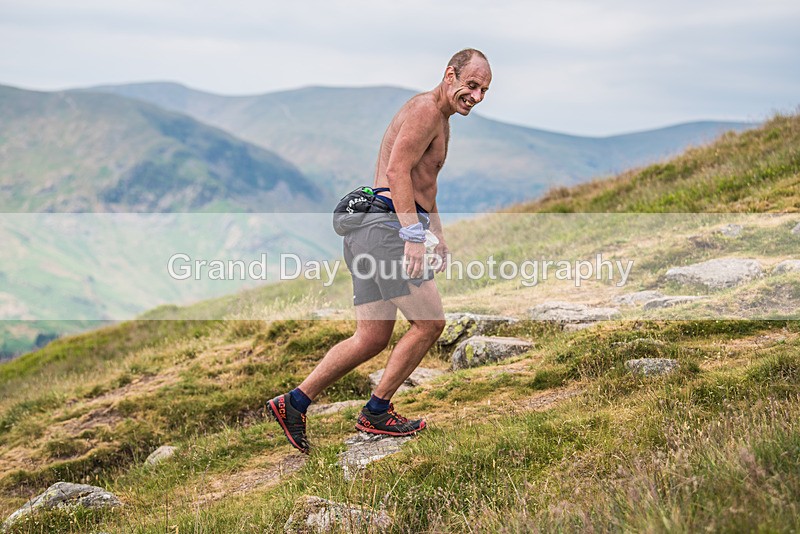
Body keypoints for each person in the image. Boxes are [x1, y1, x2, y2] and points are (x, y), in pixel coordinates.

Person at [268, 48, 492, 454]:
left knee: (371, 337)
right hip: (387, 230)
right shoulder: (426, 111)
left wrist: (437, 234)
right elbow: (396, 171)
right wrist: (413, 236)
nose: (476, 96)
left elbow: (425, 186)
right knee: (430, 324)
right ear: (450, 75)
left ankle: (294, 403)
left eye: (483, 91)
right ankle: (376, 411)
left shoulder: (439, 119)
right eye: (471, 85)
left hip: (369, 232)